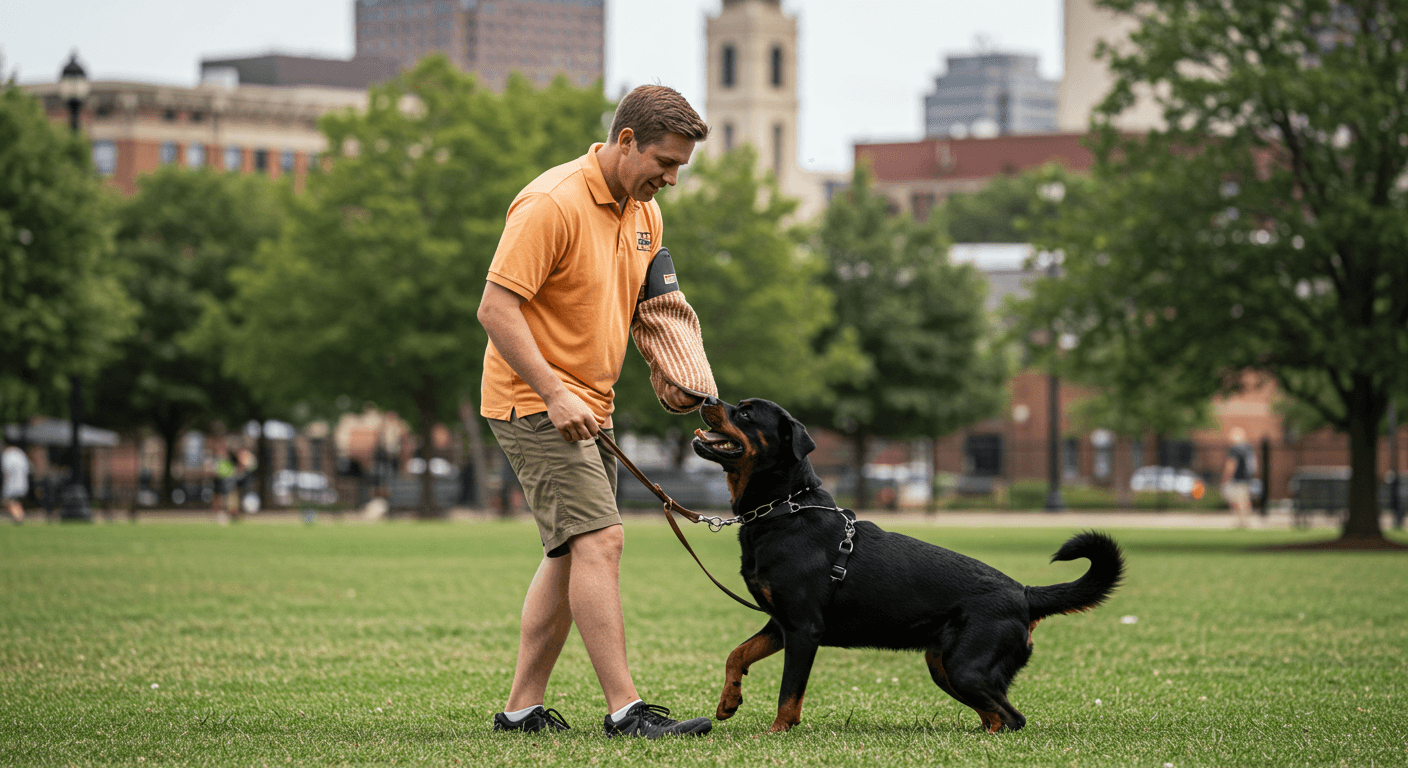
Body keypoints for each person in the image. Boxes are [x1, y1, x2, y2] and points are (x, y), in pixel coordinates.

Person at [477, 85, 715, 739]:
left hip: (593, 404)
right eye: (664, 163)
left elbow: (658, 308)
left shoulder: (644, 214)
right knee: (601, 541)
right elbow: (496, 310)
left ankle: (521, 710)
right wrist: (555, 393)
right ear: (627, 140)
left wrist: (683, 376)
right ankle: (625, 711)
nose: (670, 179)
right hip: (535, 402)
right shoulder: (551, 203)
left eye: (680, 169)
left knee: (568, 553)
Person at [1222, 427, 1256, 528]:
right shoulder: (1249, 448)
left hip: (1237, 479)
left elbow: (1231, 465)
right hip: (1247, 478)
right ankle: (1244, 520)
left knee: (1237, 500)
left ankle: (1241, 521)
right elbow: (1253, 464)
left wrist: (1226, 477)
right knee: (1244, 500)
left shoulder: (1234, 449)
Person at [3, 439, 31, 524]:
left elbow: (5, 470)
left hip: (12, 483)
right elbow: (27, 467)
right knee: (15, 501)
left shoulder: (7, 454)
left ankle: (19, 517)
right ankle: (19, 516)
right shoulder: (20, 453)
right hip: (23, 482)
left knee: (11, 502)